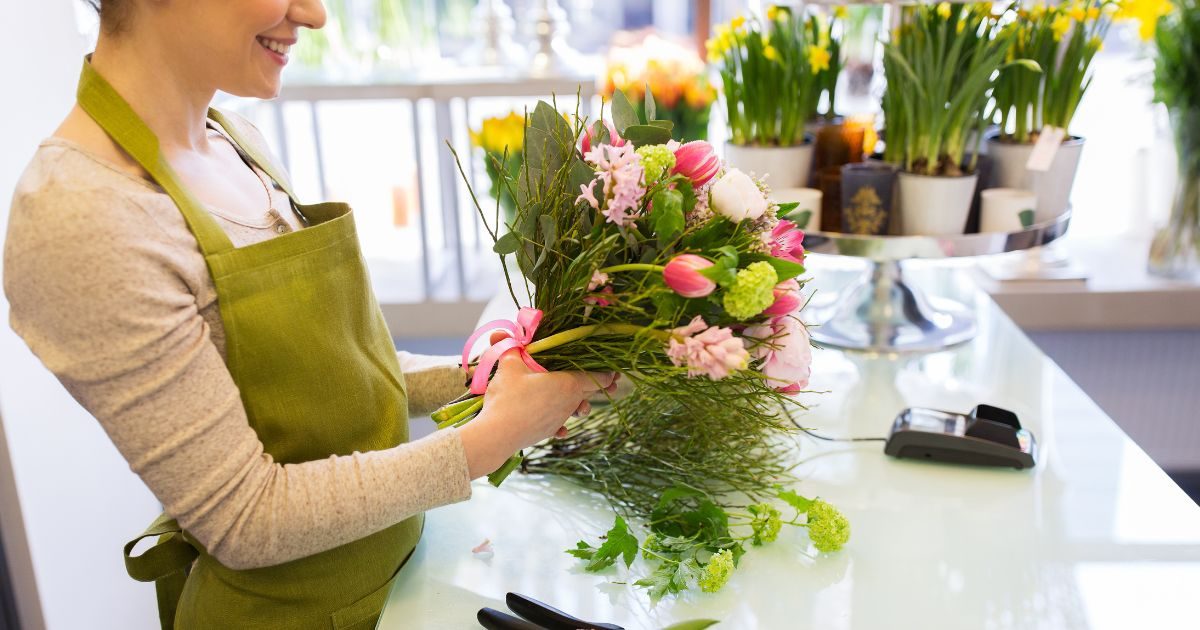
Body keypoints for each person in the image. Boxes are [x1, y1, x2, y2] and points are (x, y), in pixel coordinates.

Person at [1, 1, 615, 627]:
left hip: (399, 578)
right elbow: (244, 517)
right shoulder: (82, 217)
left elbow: (337, 381)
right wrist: (490, 438)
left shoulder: (236, 142)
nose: (315, 13)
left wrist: (490, 378)